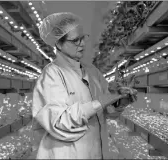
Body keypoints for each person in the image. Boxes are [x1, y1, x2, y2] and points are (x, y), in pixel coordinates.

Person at [32, 12, 136, 159]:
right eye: (75, 40)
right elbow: (59, 122)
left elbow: (107, 112)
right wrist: (103, 100)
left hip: (95, 152)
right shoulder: (51, 75)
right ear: (58, 44)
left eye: (83, 37)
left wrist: (121, 101)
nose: (82, 44)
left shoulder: (92, 71)